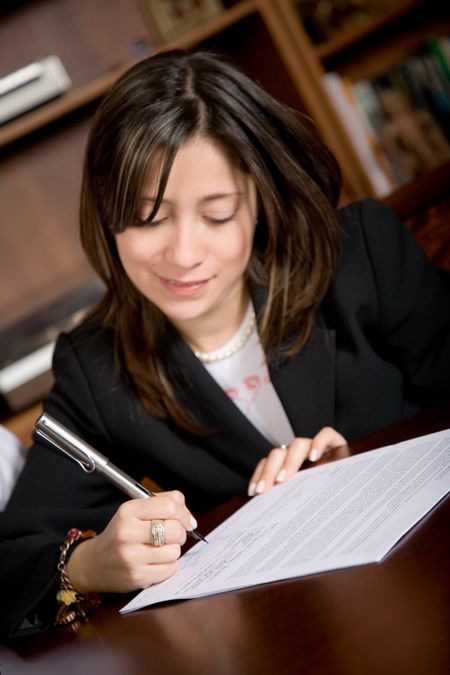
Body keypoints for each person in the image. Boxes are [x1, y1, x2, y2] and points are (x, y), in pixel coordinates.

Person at [1, 48, 449, 639]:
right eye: (147, 218)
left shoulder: (362, 255)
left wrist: (373, 461)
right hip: (295, 636)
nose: (183, 255)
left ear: (260, 199)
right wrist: (90, 564)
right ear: (106, 216)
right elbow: (9, 560)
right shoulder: (96, 365)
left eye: (217, 215)